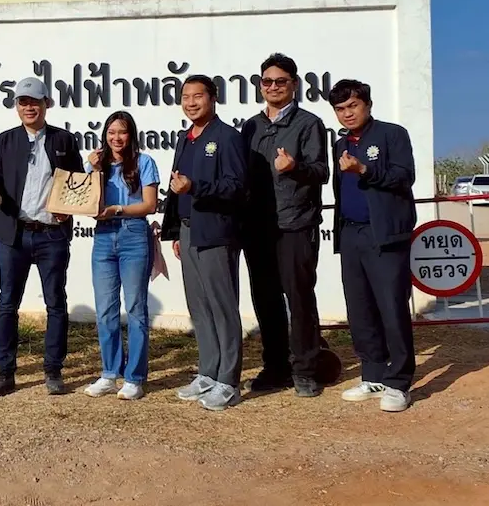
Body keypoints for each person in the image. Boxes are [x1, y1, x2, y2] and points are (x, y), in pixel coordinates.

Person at [0, 76, 85, 396]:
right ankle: (5, 372)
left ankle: (53, 370)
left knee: (55, 303)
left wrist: (69, 208)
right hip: (14, 234)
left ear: (46, 104)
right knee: (7, 304)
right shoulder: (4, 141)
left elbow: (77, 180)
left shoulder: (64, 140)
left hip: (52, 235)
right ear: (16, 107)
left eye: (35, 102)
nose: (29, 107)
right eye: (23, 102)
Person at [240, 53, 330, 397]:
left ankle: (306, 370)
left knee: (300, 298)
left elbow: (321, 171)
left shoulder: (309, 124)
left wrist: (294, 167)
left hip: (295, 224)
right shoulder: (251, 126)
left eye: (281, 81)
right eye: (267, 81)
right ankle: (275, 367)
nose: (273, 87)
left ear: (294, 84)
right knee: (266, 300)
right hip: (257, 226)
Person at [160, 75, 249, 411]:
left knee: (222, 307)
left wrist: (195, 187)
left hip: (216, 231)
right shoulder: (185, 138)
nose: (191, 103)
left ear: (213, 98)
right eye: (185, 97)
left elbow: (237, 186)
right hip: (188, 231)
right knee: (199, 307)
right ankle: (208, 372)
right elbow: (176, 188)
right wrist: (175, 231)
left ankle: (228, 380)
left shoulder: (227, 137)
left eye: (198, 96)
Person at [329, 79, 418, 413]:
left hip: (384, 234)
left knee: (392, 308)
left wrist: (364, 169)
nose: (347, 113)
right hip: (351, 234)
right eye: (340, 109)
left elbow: (404, 177)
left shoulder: (392, 134)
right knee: (360, 309)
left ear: (367, 104)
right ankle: (373, 374)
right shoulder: (341, 144)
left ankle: (399, 381)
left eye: (353, 105)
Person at [82, 111, 161, 401]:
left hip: (133, 234)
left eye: (122, 132)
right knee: (105, 309)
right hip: (103, 237)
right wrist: (93, 170)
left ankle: (134, 377)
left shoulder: (144, 162)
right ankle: (109, 373)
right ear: (105, 135)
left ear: (131, 135)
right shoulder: (96, 164)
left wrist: (117, 210)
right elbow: (88, 202)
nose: (116, 138)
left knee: (136, 308)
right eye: (111, 132)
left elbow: (150, 205)